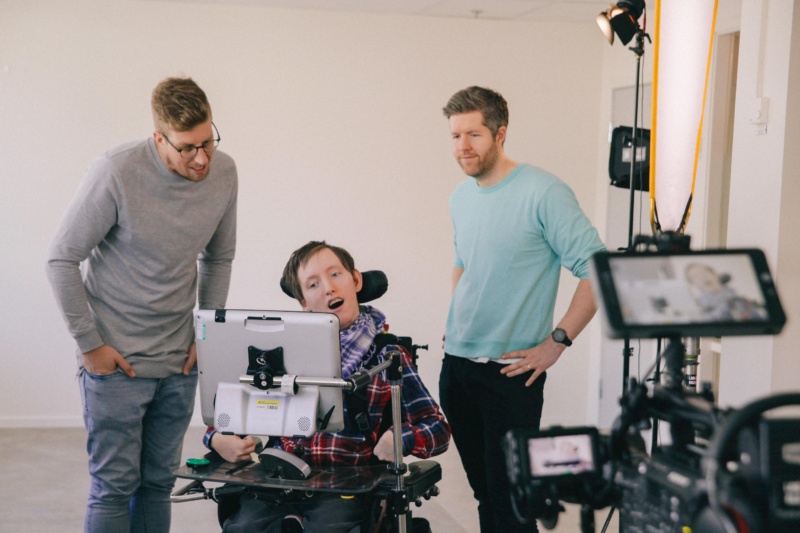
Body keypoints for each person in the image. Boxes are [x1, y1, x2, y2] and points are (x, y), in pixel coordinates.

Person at [45, 77, 238, 533]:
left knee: (157, 484)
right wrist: (90, 345)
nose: (202, 158)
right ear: (158, 138)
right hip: (116, 367)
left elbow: (219, 256)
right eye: (187, 147)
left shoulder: (225, 172)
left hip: (178, 365)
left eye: (208, 142)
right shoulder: (115, 171)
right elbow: (61, 258)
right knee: (113, 487)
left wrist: (204, 335)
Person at [439, 86, 605, 533]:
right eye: (455, 136)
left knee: (514, 504)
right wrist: (457, 319)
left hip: (510, 374)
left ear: (500, 134)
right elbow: (463, 262)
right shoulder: (462, 196)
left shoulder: (544, 192)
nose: (462, 147)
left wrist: (558, 342)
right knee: (484, 495)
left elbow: (597, 270)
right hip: (456, 366)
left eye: (473, 134)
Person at [206, 241, 450, 533]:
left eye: (335, 275)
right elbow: (232, 411)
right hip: (280, 479)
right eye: (313, 284)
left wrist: (402, 438)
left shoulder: (388, 355)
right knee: (242, 527)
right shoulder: (281, 350)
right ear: (304, 304)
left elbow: (438, 428)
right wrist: (217, 438)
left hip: (348, 485)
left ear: (356, 280)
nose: (328, 288)